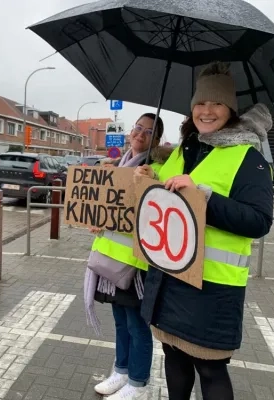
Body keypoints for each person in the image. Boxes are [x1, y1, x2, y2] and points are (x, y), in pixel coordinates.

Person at [135, 61, 273, 399]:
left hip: (212, 287)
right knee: (173, 355)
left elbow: (259, 221)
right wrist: (149, 178)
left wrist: (203, 198)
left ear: (230, 109)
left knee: (210, 368)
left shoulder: (249, 158)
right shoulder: (187, 147)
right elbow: (169, 188)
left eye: (216, 103)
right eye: (200, 102)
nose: (206, 110)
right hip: (171, 276)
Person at [85, 113, 173, 400]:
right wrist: (97, 218)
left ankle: (138, 383)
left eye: (149, 131)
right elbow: (111, 208)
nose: (140, 133)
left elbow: (158, 209)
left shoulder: (157, 167)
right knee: (121, 322)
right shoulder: (120, 165)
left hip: (136, 265)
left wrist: (153, 180)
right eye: (137, 127)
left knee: (137, 325)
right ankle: (120, 371)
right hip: (110, 261)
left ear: (156, 139)